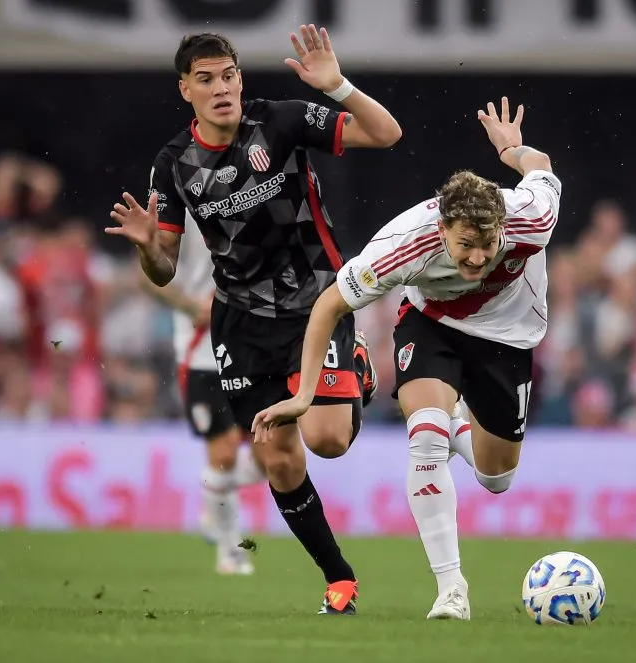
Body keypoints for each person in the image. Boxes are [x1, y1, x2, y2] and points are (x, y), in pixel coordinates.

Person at [106, 26, 401, 614]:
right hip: (240, 322)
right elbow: (163, 271)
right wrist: (146, 246)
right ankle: (338, 578)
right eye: (206, 80)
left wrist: (337, 86)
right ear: (185, 89)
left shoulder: (281, 120)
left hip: (317, 304)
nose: (221, 89)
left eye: (229, 76)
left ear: (240, 79)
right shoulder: (174, 164)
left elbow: (387, 134)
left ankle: (355, 364)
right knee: (278, 457)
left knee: (327, 442)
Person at [252, 97, 559, 621]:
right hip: (432, 325)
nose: (478, 257)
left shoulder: (532, 217)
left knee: (496, 477)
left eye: (488, 244)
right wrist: (304, 395)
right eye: (466, 244)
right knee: (425, 436)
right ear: (442, 230)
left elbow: (541, 167)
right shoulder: (403, 243)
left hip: (508, 340)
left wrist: (512, 150)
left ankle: (460, 427)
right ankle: (451, 589)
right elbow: (328, 306)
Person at [140, 209, 265, 576]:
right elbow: (146, 276)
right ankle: (230, 552)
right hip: (201, 349)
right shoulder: (177, 194)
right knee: (223, 451)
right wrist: (191, 306)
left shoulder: (261, 189)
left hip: (254, 344)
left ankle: (213, 495)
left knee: (270, 459)